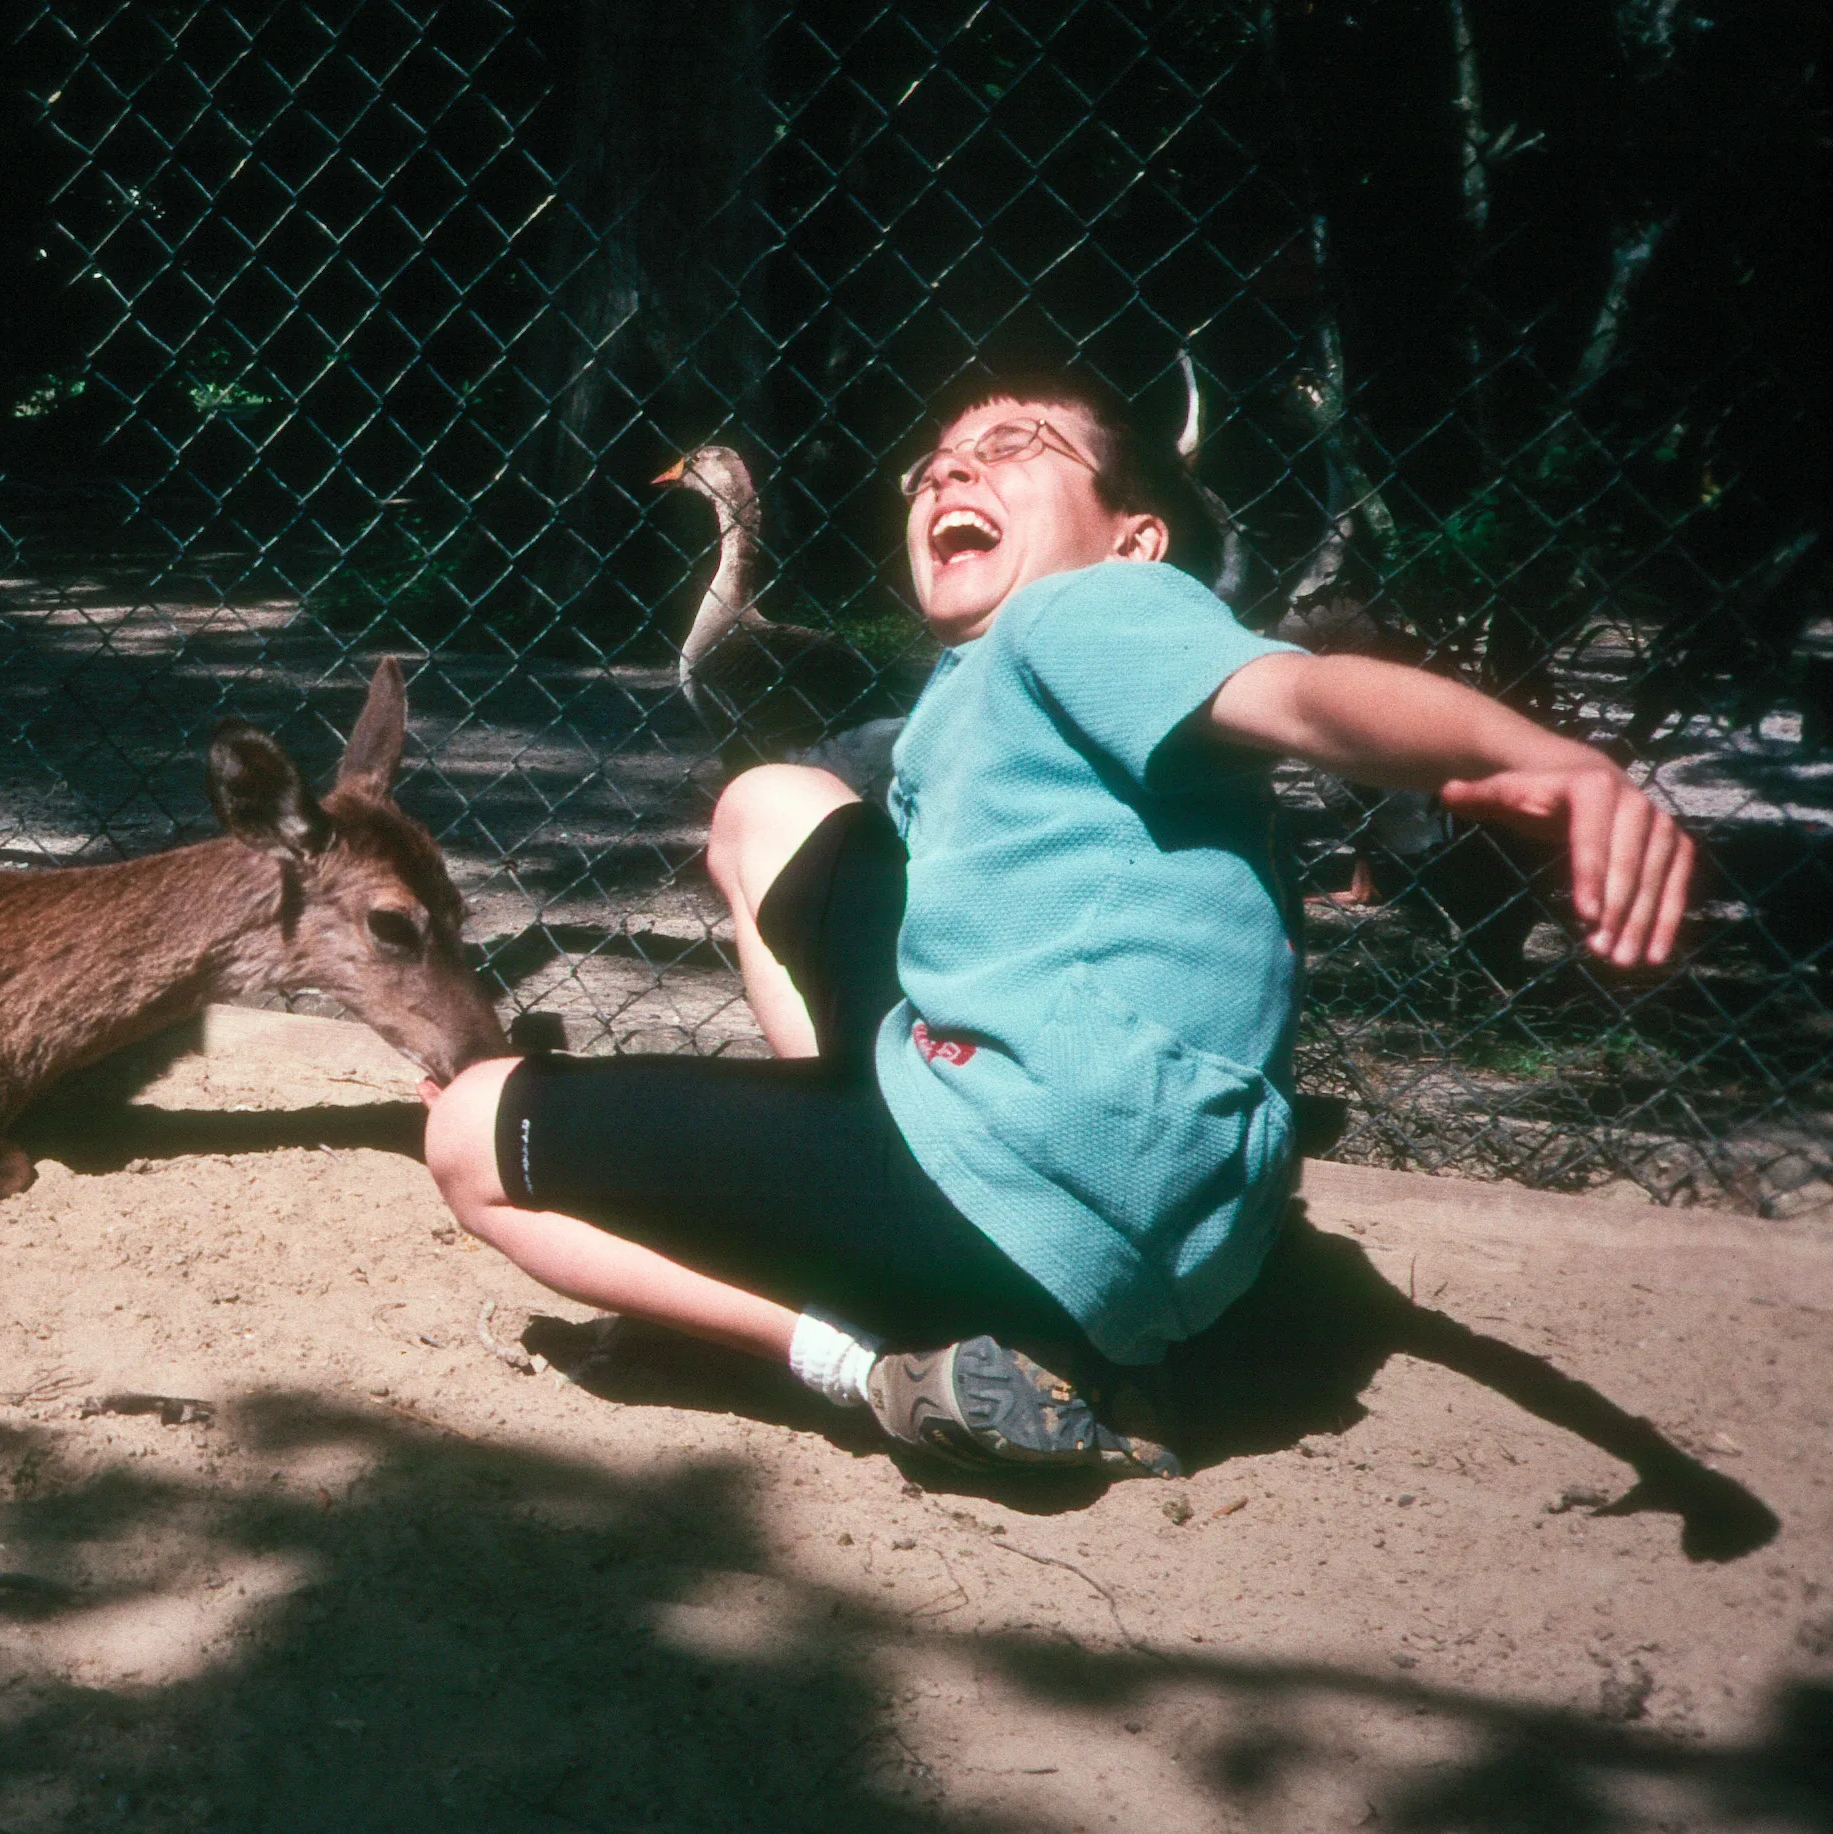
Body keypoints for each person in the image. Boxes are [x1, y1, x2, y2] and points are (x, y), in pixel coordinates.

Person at [422, 367, 1695, 1477]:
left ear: (1137, 537)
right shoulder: (987, 690)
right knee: (769, 804)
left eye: (1019, 445)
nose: (952, 467)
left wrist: (1545, 757)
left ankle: (871, 1362)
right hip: (1160, 1215)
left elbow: (1307, 698)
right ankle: (859, 1188)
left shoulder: (1084, 611)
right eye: (933, 463)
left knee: (473, 1135)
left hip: (1028, 1175)